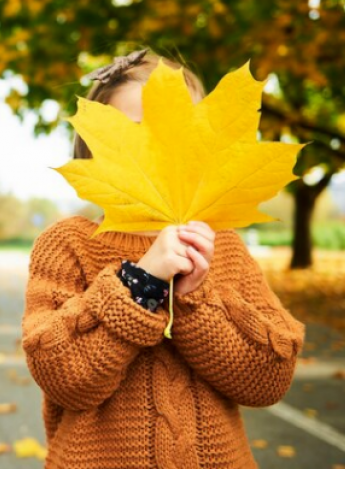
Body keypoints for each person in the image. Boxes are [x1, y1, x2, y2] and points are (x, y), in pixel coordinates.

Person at [21, 47, 306, 469]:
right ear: (95, 149)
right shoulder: (69, 243)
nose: (156, 150)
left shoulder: (222, 246)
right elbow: (62, 377)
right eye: (135, 134)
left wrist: (196, 299)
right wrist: (142, 285)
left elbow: (269, 377)